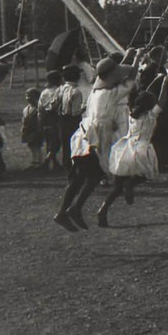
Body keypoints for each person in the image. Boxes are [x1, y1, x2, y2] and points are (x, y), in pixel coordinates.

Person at [53, 53, 137, 231]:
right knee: (86, 176)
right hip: (93, 140)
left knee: (88, 176)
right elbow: (131, 81)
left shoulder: (96, 91)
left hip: (85, 136)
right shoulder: (109, 93)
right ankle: (67, 211)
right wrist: (137, 59)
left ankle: (71, 210)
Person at [97, 85, 164, 228]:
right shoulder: (151, 116)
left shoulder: (131, 114)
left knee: (117, 187)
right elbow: (161, 101)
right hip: (141, 148)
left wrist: (156, 82)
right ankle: (131, 183)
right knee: (147, 173)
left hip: (124, 149)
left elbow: (139, 97)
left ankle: (103, 209)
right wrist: (164, 84)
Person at [56, 64, 86, 173]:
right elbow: (75, 112)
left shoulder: (60, 89)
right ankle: (75, 168)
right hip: (73, 120)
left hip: (61, 119)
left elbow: (54, 104)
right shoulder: (76, 91)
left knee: (65, 144)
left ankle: (67, 166)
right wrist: (86, 107)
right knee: (75, 143)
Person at [37, 70, 63, 170]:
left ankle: (54, 164)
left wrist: (40, 121)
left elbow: (40, 108)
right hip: (55, 117)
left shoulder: (44, 92)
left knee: (50, 141)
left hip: (45, 117)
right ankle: (46, 161)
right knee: (56, 141)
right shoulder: (59, 91)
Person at [20, 88, 44, 168]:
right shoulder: (26, 109)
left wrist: (40, 128)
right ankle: (34, 161)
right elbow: (24, 119)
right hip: (28, 130)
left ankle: (39, 162)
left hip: (36, 129)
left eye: (31, 96)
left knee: (37, 146)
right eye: (27, 96)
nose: (28, 98)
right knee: (31, 146)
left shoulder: (39, 108)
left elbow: (41, 119)